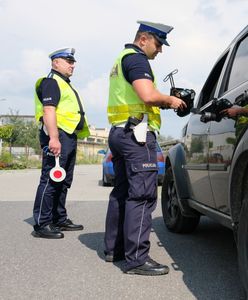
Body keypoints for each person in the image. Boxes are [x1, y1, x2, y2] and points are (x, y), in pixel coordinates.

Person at [104, 21, 186, 275]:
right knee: (142, 196)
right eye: (158, 44)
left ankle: (114, 249)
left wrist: (159, 100)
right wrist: (170, 100)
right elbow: (148, 96)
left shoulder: (121, 59)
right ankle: (137, 259)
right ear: (143, 39)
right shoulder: (138, 60)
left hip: (119, 132)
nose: (160, 50)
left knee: (122, 191)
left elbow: (140, 96)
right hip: (137, 136)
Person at [32, 48, 90, 239]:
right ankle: (42, 223)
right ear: (55, 62)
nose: (72, 65)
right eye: (68, 61)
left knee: (63, 180)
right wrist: (54, 138)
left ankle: (59, 218)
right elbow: (49, 110)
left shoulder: (64, 83)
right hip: (58, 136)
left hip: (68, 136)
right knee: (50, 178)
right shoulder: (51, 82)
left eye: (73, 62)